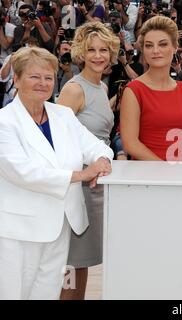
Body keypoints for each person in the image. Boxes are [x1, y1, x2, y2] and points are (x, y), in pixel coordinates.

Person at [0, 46, 113, 300]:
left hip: (61, 226)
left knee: (48, 293)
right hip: (20, 229)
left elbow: (94, 146)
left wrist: (103, 159)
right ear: (16, 79)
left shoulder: (63, 115)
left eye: (48, 77)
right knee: (14, 294)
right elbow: (23, 172)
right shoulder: (4, 121)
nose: (43, 83)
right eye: (34, 76)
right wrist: (81, 175)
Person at [56, 21, 119, 300]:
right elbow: (56, 140)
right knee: (71, 263)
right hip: (78, 185)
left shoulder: (102, 87)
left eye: (103, 50)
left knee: (82, 263)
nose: (97, 56)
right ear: (81, 52)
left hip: (95, 185)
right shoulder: (74, 89)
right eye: (91, 50)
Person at [120, 16, 182, 161]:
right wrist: (164, 170)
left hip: (180, 175)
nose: (155, 51)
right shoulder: (134, 90)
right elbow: (130, 144)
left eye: (163, 44)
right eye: (149, 45)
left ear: (175, 47)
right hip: (146, 178)